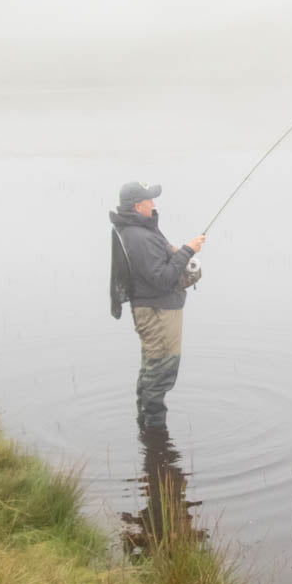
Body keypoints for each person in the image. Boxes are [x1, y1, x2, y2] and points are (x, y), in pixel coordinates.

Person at [109, 181, 205, 431]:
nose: (153, 203)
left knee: (152, 371)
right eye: (149, 200)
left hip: (155, 311)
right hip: (158, 314)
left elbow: (157, 270)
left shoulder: (137, 231)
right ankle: (154, 436)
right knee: (160, 374)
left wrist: (182, 252)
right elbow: (162, 279)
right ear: (137, 206)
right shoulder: (139, 237)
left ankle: (147, 434)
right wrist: (187, 251)